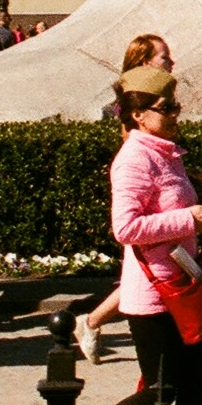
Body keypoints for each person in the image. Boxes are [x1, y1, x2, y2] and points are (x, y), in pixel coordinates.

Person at [77, 66, 202, 405]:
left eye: (176, 105)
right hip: (153, 294)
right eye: (166, 109)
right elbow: (125, 228)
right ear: (138, 115)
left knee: (195, 383)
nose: (176, 114)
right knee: (162, 390)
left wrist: (198, 217)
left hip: (183, 282)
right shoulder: (134, 159)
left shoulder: (167, 153)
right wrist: (187, 217)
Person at [80, 34, 172, 363]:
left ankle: (91, 323)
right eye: (164, 58)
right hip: (141, 197)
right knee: (140, 273)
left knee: (139, 272)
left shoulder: (158, 102)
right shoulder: (135, 106)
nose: (171, 63)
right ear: (145, 62)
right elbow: (127, 224)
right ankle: (90, 322)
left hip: (154, 207)